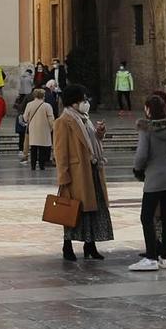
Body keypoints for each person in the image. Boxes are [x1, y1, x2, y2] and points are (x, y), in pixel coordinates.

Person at [131, 91, 166, 271]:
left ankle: (151, 257)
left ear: (149, 109)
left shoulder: (146, 128)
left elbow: (141, 155)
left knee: (146, 217)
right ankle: (165, 257)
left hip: (154, 178)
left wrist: (138, 169)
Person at [53, 84, 112, 261]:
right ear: (73, 101)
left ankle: (90, 245)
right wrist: (63, 176)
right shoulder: (63, 121)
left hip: (91, 171)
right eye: (82, 99)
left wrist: (100, 132)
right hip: (76, 175)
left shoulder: (84, 119)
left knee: (93, 210)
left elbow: (92, 141)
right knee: (73, 211)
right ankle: (67, 246)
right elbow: (60, 151)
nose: (85, 102)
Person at [23, 83, 55, 172]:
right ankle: (41, 165)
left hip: (33, 129)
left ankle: (33, 166)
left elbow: (25, 118)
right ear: (43, 96)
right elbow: (51, 119)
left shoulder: (29, 104)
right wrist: (52, 128)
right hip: (44, 130)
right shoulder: (47, 106)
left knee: (33, 148)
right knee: (42, 149)